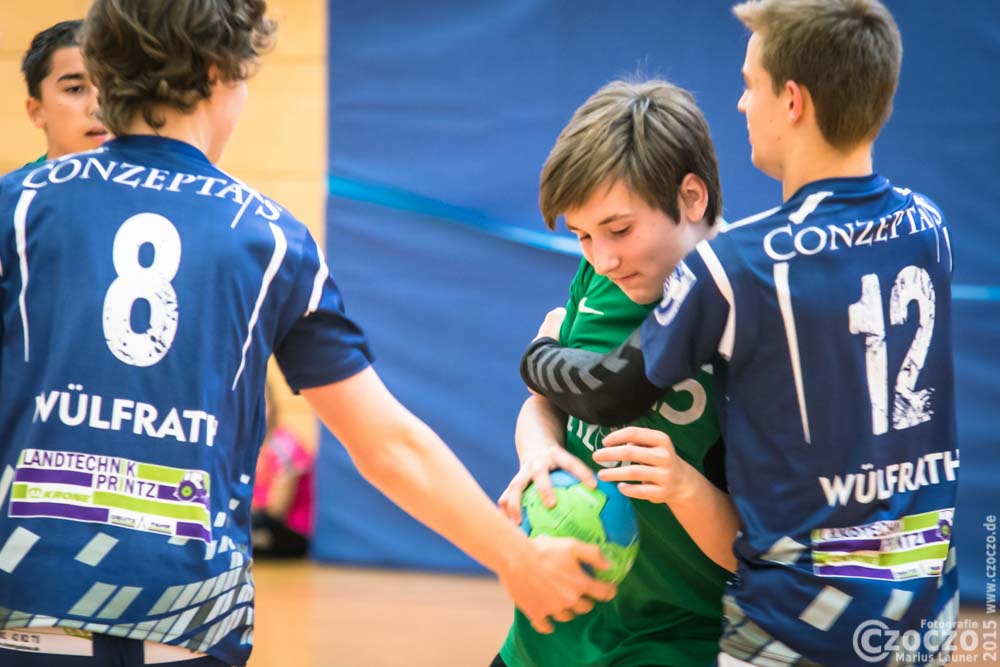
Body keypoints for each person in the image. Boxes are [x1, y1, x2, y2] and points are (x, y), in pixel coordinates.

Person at [0, 2, 614, 666]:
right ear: (220, 73)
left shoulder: (19, 206)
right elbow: (386, 443)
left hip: (23, 597)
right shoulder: (269, 239)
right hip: (182, 620)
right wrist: (517, 558)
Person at [519, 1, 958, 666]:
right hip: (919, 596)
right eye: (584, 236)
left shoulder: (739, 267)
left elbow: (609, 391)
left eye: (751, 84)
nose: (741, 102)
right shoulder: (928, 226)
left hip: (799, 612)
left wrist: (538, 352)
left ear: (792, 100)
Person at [493, 80, 738, 667]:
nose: (602, 259)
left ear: (691, 197)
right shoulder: (600, 279)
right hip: (547, 632)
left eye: (619, 230)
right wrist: (538, 454)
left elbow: (761, 552)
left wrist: (685, 487)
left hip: (676, 641)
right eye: (583, 236)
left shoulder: (753, 312)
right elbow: (542, 402)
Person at [21, 19, 110, 163]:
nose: (98, 109)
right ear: (36, 111)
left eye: (113, 87)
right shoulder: (22, 179)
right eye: (75, 89)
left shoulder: (152, 176)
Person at [250, 381, 314, 558]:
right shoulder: (236, 449)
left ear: (271, 405)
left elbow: (277, 509)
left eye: (260, 404)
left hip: (287, 531)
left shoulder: (285, 445)